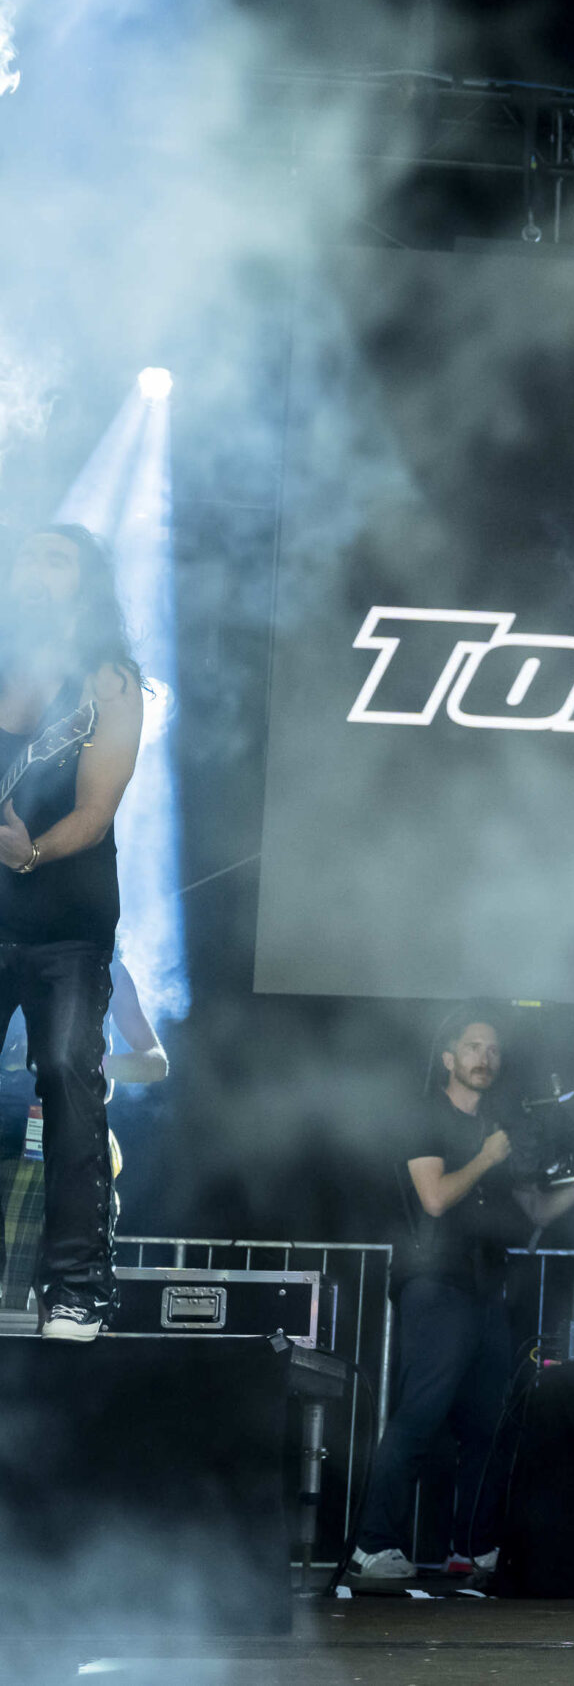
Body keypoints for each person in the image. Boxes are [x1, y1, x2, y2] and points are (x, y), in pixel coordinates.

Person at [351, 1011, 574, 1582]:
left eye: (493, 1050)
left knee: (487, 1425)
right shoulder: (427, 1118)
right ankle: (371, 1547)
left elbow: (532, 1214)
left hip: (485, 1289)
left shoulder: (499, 1131)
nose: (485, 1057)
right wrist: (486, 1158)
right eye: (473, 1047)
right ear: (449, 1059)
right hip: (434, 1284)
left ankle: (471, 1549)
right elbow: (433, 1198)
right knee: (420, 1416)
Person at [0, 525, 146, 1342]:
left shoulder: (107, 682)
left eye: (54, 557)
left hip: (68, 925)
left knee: (65, 1076)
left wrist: (30, 853)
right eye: (25, 553)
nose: (32, 566)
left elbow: (94, 814)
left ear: (85, 583)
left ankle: (78, 1288)